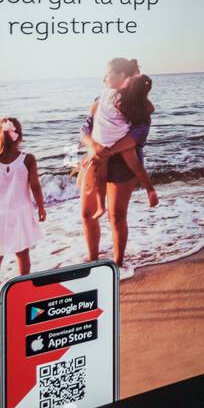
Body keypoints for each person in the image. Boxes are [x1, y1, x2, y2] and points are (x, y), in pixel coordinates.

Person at [80, 58, 159, 269]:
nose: (104, 78)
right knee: (87, 214)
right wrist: (94, 146)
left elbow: (137, 136)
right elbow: (85, 129)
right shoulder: (100, 99)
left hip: (123, 164)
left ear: (123, 75)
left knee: (116, 216)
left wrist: (108, 151)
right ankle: (92, 259)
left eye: (108, 73)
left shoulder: (137, 103)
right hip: (95, 157)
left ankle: (117, 263)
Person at [0, 118, 46, 319]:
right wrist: (41, 207)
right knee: (22, 253)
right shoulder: (28, 159)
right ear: (19, 137)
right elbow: (35, 186)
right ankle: (25, 292)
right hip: (20, 213)